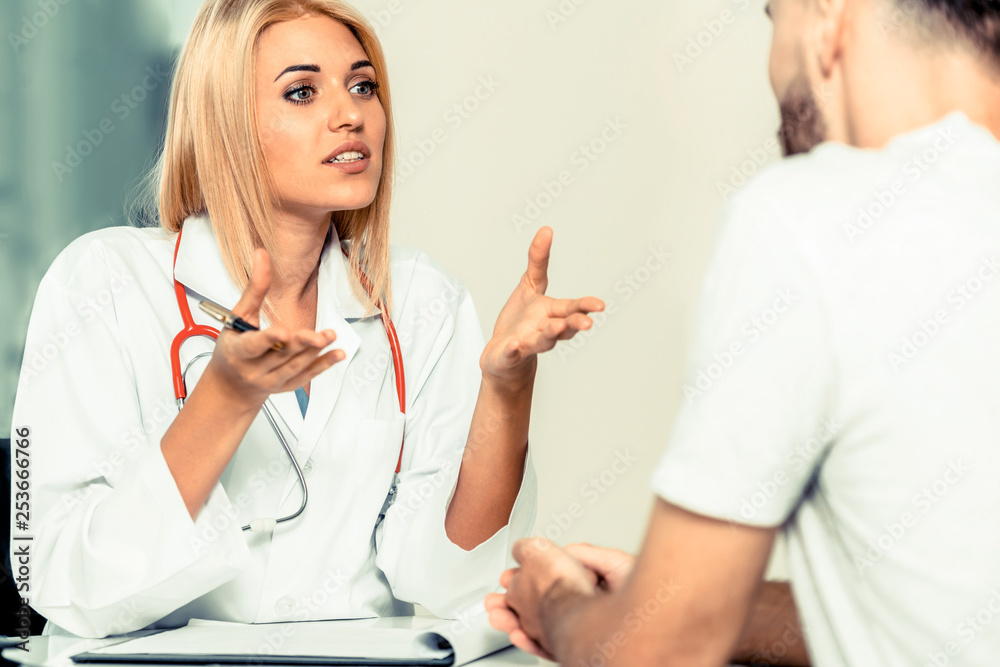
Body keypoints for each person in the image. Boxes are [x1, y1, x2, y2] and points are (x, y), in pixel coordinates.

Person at [10, 0, 604, 639]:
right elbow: (58, 576)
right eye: (301, 92)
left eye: (363, 85)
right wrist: (225, 399)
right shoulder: (102, 282)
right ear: (225, 124)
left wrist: (506, 390)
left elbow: (456, 580)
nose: (351, 115)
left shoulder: (423, 299)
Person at [487, 0, 1000, 664]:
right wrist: (686, 590)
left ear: (825, 16)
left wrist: (555, 599)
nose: (771, 62)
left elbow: (660, 656)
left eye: (771, 17)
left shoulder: (809, 218)